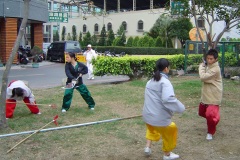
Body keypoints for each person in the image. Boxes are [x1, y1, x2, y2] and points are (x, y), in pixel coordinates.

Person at [142, 58, 185, 160]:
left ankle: (148, 147)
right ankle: (167, 154)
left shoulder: (150, 81)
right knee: (171, 129)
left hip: (148, 116)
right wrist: (181, 108)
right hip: (158, 119)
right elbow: (168, 99)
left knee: (152, 128)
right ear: (166, 69)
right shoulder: (165, 82)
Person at [198, 49, 223, 140]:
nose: (209, 60)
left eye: (211, 59)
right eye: (208, 58)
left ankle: (210, 132)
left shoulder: (216, 69)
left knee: (209, 115)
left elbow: (203, 77)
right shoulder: (209, 65)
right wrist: (205, 65)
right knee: (201, 113)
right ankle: (214, 118)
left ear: (216, 59)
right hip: (206, 95)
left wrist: (201, 66)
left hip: (214, 96)